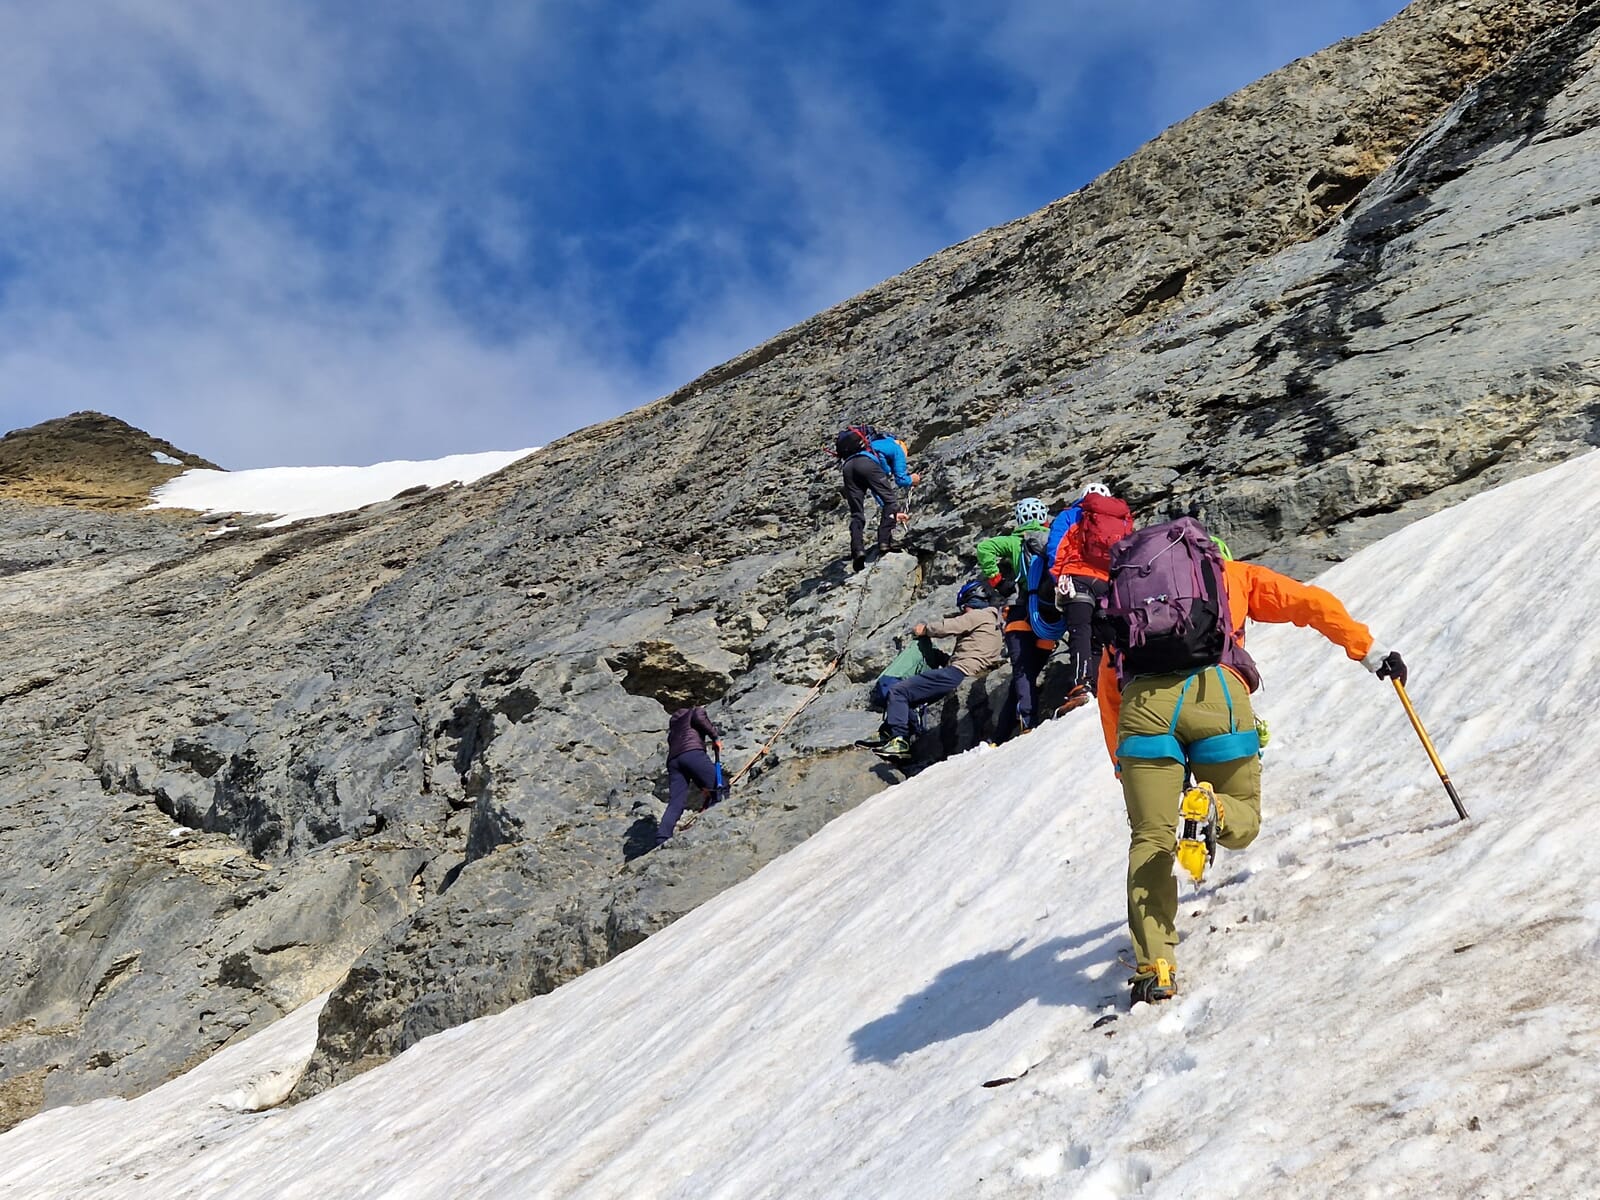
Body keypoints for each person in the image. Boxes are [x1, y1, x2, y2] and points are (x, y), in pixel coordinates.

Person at [1092, 519, 1407, 1005]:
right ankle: (1213, 809)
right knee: (1243, 819)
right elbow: (1310, 604)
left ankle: (1156, 967)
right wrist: (1369, 651)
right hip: (1216, 694)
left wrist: (1121, 761)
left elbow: (1108, 684)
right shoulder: (1234, 575)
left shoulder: (1128, 597)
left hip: (1142, 710)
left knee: (1151, 837)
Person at [864, 580, 1004, 761]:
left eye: (964, 608)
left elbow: (949, 626)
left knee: (899, 691)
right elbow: (973, 652)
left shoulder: (979, 615)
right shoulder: (994, 620)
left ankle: (899, 740)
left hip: (958, 672)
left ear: (971, 602)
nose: (963, 612)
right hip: (967, 670)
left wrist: (925, 629)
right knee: (913, 695)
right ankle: (890, 731)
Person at [1051, 483, 1133, 714]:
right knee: (1109, 635)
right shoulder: (1121, 518)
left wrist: (1058, 577)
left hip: (1077, 576)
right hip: (1107, 582)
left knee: (1081, 631)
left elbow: (1055, 548)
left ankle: (1082, 686)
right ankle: (1123, 682)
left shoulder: (1071, 515)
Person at [975, 497, 1052, 741]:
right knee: (1031, 670)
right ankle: (1004, 731)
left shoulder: (1014, 541)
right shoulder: (1052, 538)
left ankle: (1027, 721)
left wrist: (997, 580)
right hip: (1048, 616)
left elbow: (984, 549)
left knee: (1022, 670)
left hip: (1019, 612)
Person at [837, 426, 914, 572]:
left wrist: (894, 513)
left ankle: (857, 551)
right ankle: (885, 542)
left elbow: (878, 492)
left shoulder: (870, 446)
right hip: (867, 465)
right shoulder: (896, 448)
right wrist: (913, 479)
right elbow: (901, 479)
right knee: (891, 501)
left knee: (857, 513)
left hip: (848, 467)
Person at [656, 704, 723, 847]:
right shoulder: (694, 711)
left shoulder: (674, 730)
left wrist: (702, 786)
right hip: (692, 753)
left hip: (673, 761)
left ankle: (662, 838)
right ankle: (717, 819)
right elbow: (699, 716)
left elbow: (689, 767)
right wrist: (715, 737)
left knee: (676, 802)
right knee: (721, 786)